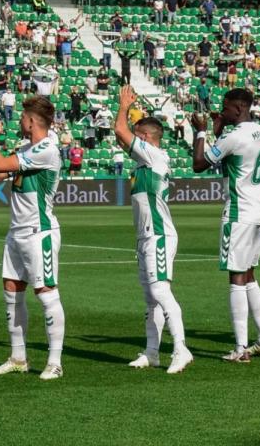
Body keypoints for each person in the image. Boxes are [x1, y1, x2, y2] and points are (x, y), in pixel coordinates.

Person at [0, 96, 65, 381]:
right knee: (12, 291)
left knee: (46, 294)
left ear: (33, 121)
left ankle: (54, 362)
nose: (19, 121)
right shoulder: (27, 147)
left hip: (40, 232)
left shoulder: (47, 149)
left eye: (23, 117)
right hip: (17, 231)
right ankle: (18, 358)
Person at [191, 88, 260, 363]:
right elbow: (228, 152)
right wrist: (220, 127)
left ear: (238, 109)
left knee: (236, 277)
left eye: (226, 108)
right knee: (250, 274)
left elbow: (200, 163)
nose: (222, 111)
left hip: (240, 212)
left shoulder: (234, 137)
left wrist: (201, 131)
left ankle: (240, 349)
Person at [115, 86, 192, 374]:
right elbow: (122, 135)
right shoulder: (143, 160)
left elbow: (121, 131)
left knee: (161, 291)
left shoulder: (154, 156)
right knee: (150, 298)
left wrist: (124, 105)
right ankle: (152, 352)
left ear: (146, 138)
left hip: (159, 235)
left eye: (137, 135)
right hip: (146, 237)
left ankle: (181, 348)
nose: (130, 142)